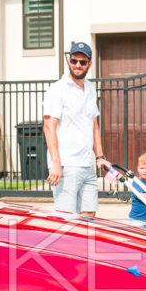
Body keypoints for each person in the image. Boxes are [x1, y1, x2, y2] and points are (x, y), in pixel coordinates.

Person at [43, 41, 110, 216]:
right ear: (69, 62)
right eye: (74, 61)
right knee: (67, 220)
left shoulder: (90, 89)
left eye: (82, 62)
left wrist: (100, 156)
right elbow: (49, 126)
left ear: (89, 64)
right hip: (67, 165)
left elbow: (94, 125)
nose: (77, 65)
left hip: (87, 165)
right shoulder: (58, 89)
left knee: (89, 217)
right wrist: (56, 163)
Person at [128, 152, 146, 229]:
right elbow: (140, 196)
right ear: (137, 168)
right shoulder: (136, 182)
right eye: (142, 168)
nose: (144, 171)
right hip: (137, 220)